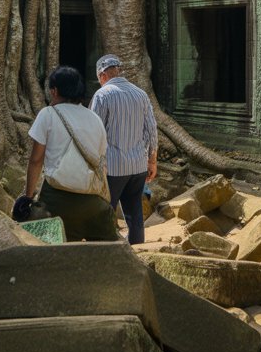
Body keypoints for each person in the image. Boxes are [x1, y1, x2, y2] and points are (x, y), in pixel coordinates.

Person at [21, 66, 119, 241]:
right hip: (93, 204)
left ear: (54, 91)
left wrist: (27, 197)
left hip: (57, 202)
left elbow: (36, 160)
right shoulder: (94, 118)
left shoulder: (47, 114)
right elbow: (101, 164)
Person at [89, 54, 158, 244]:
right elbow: (152, 130)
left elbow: (94, 131)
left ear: (102, 75)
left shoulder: (103, 95)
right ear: (118, 71)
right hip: (137, 166)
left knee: (104, 210)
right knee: (134, 212)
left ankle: (105, 250)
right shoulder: (140, 94)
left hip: (112, 167)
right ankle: (137, 249)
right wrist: (152, 161)